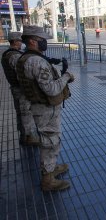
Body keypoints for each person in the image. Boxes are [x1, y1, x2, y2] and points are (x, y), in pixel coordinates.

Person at [16, 25, 74, 191]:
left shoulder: (26, 58)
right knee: (50, 141)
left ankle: (50, 167)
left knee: (50, 140)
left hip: (39, 106)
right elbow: (51, 89)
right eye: (42, 40)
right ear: (33, 41)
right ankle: (47, 179)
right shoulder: (37, 62)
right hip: (45, 109)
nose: (45, 43)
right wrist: (67, 77)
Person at [1, 32, 39, 146]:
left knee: (21, 113)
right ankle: (29, 137)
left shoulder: (8, 53)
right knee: (25, 113)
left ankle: (25, 136)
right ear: (15, 41)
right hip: (21, 89)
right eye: (19, 41)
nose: (21, 43)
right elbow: (23, 72)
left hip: (16, 88)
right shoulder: (14, 56)